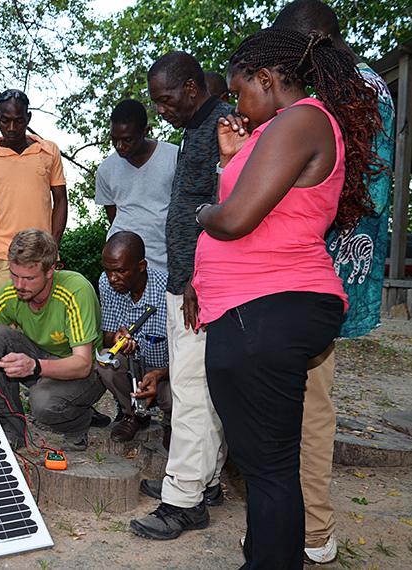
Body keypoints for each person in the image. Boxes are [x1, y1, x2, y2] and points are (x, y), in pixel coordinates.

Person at [194, 27, 382, 569]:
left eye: (239, 90)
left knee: (271, 468)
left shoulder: (302, 118)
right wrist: (229, 160)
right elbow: (258, 202)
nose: (237, 103)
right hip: (257, 306)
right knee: (265, 465)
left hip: (269, 305)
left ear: (267, 78)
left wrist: (203, 217)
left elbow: (232, 219)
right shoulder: (280, 128)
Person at [273, 1, 396, 563]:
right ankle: (307, 525)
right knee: (308, 399)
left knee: (302, 405)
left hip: (307, 272)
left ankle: (311, 531)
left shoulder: (320, 100)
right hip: (351, 271)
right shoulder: (373, 86)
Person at [129, 51, 231, 541]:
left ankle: (183, 500)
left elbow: (223, 210)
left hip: (198, 287)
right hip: (187, 283)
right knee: (201, 388)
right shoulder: (198, 128)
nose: (161, 110)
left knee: (190, 391)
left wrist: (195, 279)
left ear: (192, 88)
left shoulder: (221, 129)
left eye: (166, 99)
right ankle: (205, 481)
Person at [0, 229, 105, 451]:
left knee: (42, 403)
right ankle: (11, 428)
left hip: (87, 372)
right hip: (44, 362)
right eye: (14, 275)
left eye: (29, 278)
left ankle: (78, 421)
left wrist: (33, 366)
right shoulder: (11, 292)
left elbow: (83, 365)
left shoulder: (75, 290)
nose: (19, 285)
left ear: (50, 271)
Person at [0, 89, 67, 295]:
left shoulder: (49, 150)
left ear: (28, 118)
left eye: (18, 121)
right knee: (4, 323)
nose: (11, 128)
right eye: (5, 120)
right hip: (4, 256)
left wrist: (53, 245)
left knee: (42, 322)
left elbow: (61, 201)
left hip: (42, 255)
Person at [95, 232, 172, 444]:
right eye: (108, 270)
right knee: (107, 363)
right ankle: (134, 414)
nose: (112, 278)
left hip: (168, 372)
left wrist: (158, 375)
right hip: (135, 368)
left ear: (141, 265)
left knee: (174, 395)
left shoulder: (168, 291)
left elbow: (189, 357)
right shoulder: (107, 284)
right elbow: (108, 338)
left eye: (120, 271)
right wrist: (118, 339)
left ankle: (171, 422)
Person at [95, 99, 176, 273]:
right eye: (114, 139)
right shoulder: (106, 169)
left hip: (165, 263)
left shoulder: (174, 157)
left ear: (145, 131)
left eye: (127, 139)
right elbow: (112, 215)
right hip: (123, 267)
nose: (119, 146)